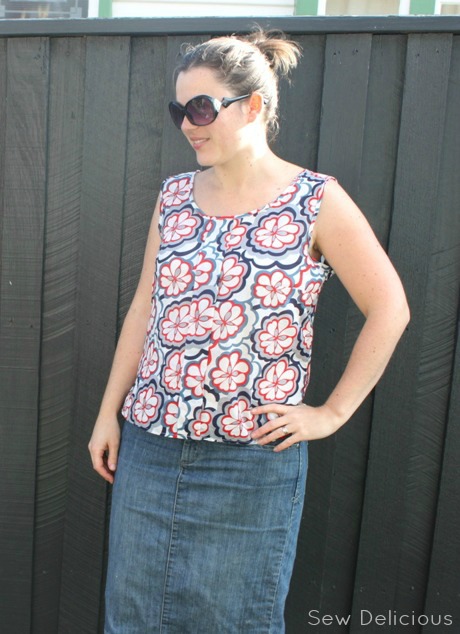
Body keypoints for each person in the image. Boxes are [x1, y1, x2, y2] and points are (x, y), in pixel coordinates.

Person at [88, 28, 410, 634]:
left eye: (202, 107)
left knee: (233, 621)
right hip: (150, 449)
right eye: (180, 111)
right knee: (133, 618)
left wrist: (332, 413)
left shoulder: (315, 201)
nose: (189, 124)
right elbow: (144, 310)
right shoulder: (174, 197)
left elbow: (390, 307)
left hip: (250, 463)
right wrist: (110, 413)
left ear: (253, 105)